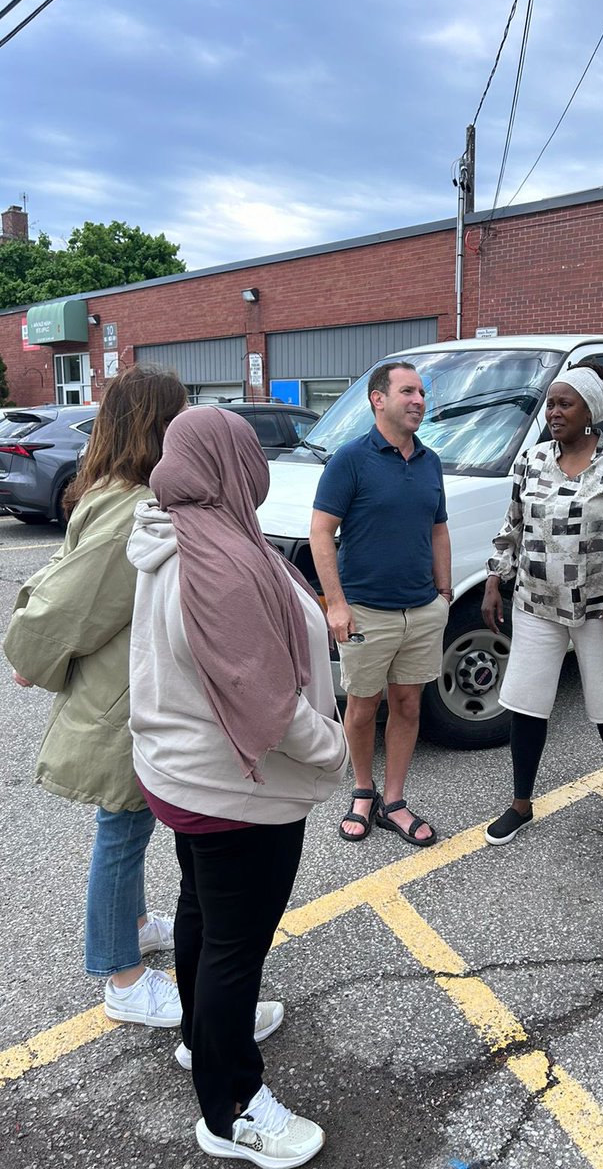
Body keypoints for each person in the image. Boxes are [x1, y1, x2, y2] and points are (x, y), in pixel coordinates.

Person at [127, 405, 348, 1168]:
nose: (257, 466)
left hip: (188, 776)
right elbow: (267, 703)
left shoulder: (173, 530)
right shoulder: (217, 559)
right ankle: (232, 1111)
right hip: (233, 790)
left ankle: (201, 1037)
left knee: (205, 917)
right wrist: (334, 749)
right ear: (227, 465)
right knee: (235, 948)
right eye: (248, 453)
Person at [4, 366, 188, 1028]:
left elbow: (61, 581)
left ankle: (134, 926)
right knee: (122, 827)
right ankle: (123, 977)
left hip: (125, 688)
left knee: (129, 824)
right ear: (160, 425)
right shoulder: (133, 508)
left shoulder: (116, 491)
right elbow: (69, 603)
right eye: (181, 414)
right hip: (123, 697)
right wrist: (31, 653)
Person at [481, 359, 603, 845]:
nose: (553, 412)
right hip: (536, 602)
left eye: (565, 403)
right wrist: (493, 580)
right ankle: (521, 802)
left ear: (592, 411)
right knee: (526, 703)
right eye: (551, 403)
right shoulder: (532, 460)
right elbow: (513, 524)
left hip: (601, 607)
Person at [309, 360, 450, 848]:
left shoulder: (431, 461)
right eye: (408, 391)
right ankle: (363, 791)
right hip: (366, 610)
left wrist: (445, 593)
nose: (419, 401)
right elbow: (321, 533)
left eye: (422, 393)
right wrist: (337, 606)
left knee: (409, 703)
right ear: (378, 399)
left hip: (421, 610)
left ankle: (394, 800)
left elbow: (438, 529)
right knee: (364, 705)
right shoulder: (350, 460)